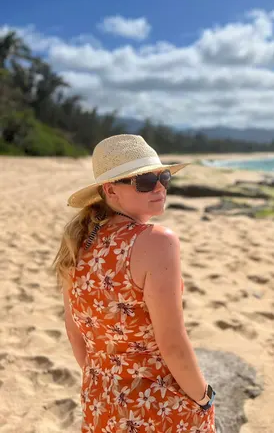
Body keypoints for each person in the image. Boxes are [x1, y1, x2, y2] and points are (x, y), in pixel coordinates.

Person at [52, 134, 216, 432]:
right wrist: (204, 397)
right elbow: (172, 343)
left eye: (163, 177)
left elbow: (75, 333)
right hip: (157, 404)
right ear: (111, 190)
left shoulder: (77, 243)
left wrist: (110, 385)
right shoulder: (156, 241)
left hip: (100, 401)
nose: (159, 187)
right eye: (145, 181)